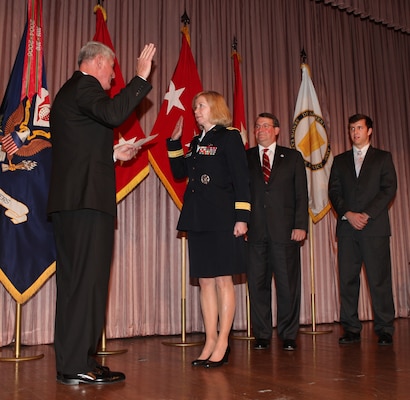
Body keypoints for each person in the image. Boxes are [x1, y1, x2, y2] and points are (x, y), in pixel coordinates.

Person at [47, 41, 156, 385]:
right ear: (97, 63)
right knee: (87, 283)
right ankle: (77, 362)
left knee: (76, 284)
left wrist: (111, 153)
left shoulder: (71, 92)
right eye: (112, 69)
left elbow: (80, 147)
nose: (114, 77)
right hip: (85, 204)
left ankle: (75, 361)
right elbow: (112, 114)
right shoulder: (85, 86)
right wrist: (140, 78)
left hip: (73, 202)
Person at [167, 91, 251, 368]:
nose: (196, 110)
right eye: (195, 107)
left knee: (223, 280)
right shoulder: (195, 141)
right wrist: (175, 142)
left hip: (224, 217)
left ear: (215, 107)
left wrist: (242, 217)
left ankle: (224, 341)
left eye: (200, 105)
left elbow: (242, 178)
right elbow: (180, 173)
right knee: (204, 281)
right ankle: (210, 339)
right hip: (199, 217)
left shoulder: (229, 137)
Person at [328, 113, 397, 346]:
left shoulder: (383, 158)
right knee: (348, 280)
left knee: (379, 280)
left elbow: (388, 189)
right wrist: (348, 214)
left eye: (359, 128)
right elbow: (334, 192)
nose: (354, 132)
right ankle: (350, 328)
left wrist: (366, 215)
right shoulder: (339, 160)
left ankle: (385, 328)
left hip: (374, 228)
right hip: (348, 229)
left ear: (369, 131)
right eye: (351, 128)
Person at [246, 112, 308, 351]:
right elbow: (240, 194)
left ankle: (288, 334)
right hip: (255, 232)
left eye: (265, 125)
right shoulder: (246, 157)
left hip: (286, 233)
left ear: (277, 130)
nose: (260, 129)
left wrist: (300, 225)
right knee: (257, 285)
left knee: (287, 285)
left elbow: (301, 194)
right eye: (257, 126)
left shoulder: (292, 157)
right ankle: (262, 333)